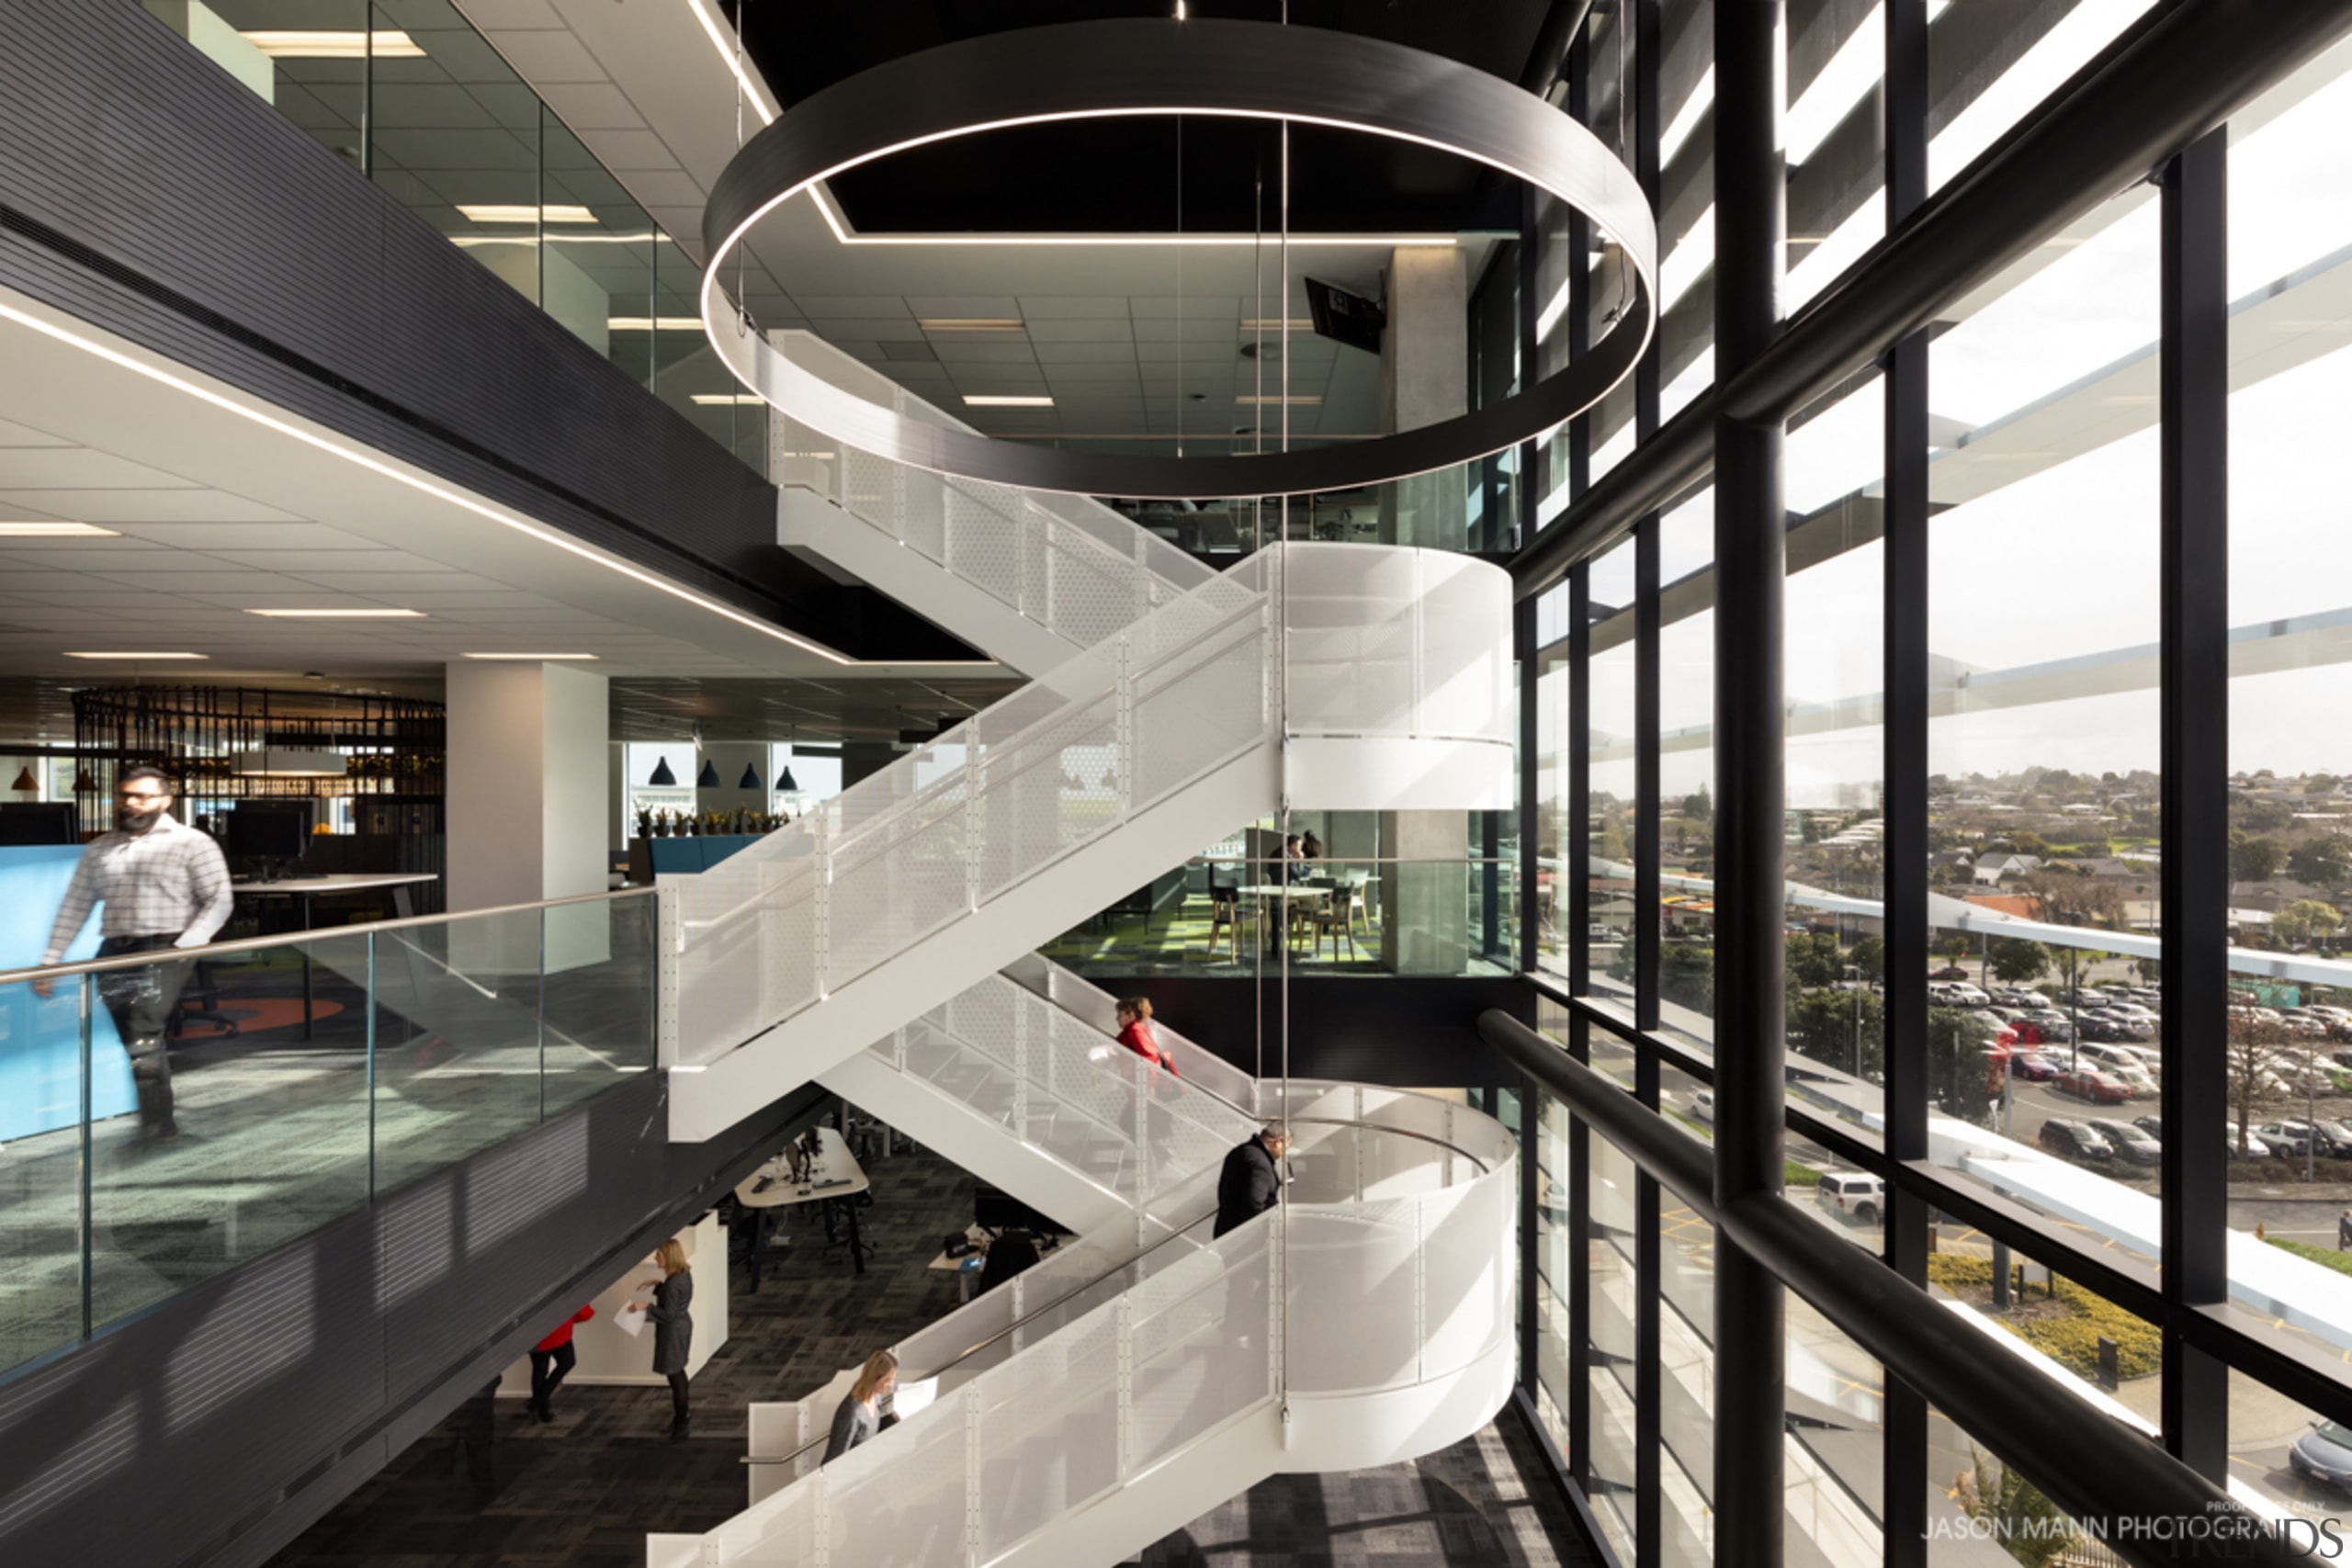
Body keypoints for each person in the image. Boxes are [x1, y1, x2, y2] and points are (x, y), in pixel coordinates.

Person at [35, 765, 233, 1144]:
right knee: (133, 1038)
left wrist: (186, 946)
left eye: (142, 796)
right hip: (114, 951)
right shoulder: (100, 849)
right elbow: (75, 906)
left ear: (165, 800)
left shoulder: (192, 843)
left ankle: (158, 1125)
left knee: (143, 1033)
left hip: (165, 948)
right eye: (125, 795)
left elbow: (219, 900)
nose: (130, 803)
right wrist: (51, 960)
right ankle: (155, 1117)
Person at [630, 1238, 695, 1438]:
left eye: (659, 1255)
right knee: (678, 1372)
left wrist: (646, 1307)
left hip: (673, 1332)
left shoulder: (674, 1283)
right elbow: (674, 1301)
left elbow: (669, 1314)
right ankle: (682, 1417)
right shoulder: (683, 1274)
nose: (655, 1258)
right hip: (680, 1328)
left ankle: (681, 1423)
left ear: (669, 1256)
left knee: (675, 1376)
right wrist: (659, 1286)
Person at [1215, 1122, 1289, 1238]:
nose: (1283, 1154)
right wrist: (1264, 1237)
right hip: (1245, 1238)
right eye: (1285, 1148)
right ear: (1279, 1141)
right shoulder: (1260, 1163)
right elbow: (1254, 1205)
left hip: (1226, 1231)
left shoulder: (1240, 1151)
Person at [824, 1349, 899, 1461]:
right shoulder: (851, 1412)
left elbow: (870, 1429)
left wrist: (891, 1420)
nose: (890, 1385)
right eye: (887, 1380)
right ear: (874, 1377)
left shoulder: (876, 1397)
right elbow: (836, 1458)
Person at [528, 1304, 594, 1424]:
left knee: (541, 1370)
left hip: (543, 1333)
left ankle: (538, 1403)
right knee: (547, 1368)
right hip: (551, 1333)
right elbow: (584, 1314)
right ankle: (540, 1404)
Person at [1114, 997, 1178, 1077]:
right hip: (1139, 1078)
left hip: (1141, 1080)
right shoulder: (1139, 1029)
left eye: (1120, 1015)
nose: (1117, 1018)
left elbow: (1148, 1057)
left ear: (1131, 1015)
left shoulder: (1135, 1030)